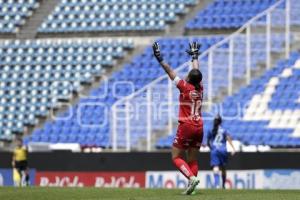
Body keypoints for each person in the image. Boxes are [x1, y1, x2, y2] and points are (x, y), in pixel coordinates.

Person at [153, 41, 203, 195]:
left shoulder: (184, 86)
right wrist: (194, 56)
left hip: (186, 126)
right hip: (199, 126)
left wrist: (159, 58)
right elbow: (197, 71)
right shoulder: (200, 87)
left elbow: (170, 71)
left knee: (175, 157)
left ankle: (191, 178)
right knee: (192, 159)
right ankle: (192, 187)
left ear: (188, 78)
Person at [207, 114, 236, 189]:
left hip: (215, 150)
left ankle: (217, 185)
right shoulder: (224, 130)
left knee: (215, 167)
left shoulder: (211, 130)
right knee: (223, 168)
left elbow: (208, 141)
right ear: (221, 122)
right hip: (223, 150)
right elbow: (228, 138)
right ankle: (223, 185)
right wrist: (233, 148)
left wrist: (211, 148)